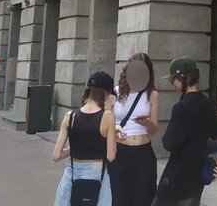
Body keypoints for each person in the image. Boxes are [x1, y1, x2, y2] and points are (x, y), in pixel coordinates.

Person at [152, 57, 217, 206]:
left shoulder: (181, 108)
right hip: (196, 177)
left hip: (176, 177)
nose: (173, 84)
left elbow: (169, 144)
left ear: (183, 78)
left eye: (174, 80)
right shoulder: (205, 103)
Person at [53, 70, 117, 206]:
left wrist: (75, 147)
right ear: (106, 94)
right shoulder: (108, 117)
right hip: (96, 171)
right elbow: (111, 156)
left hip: (71, 173)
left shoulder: (70, 116)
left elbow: (56, 155)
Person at [108, 53, 159, 206]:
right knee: (119, 198)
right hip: (120, 151)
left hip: (143, 153)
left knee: (143, 198)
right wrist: (115, 128)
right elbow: (105, 122)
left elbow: (154, 129)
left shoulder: (152, 94)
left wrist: (147, 123)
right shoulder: (116, 92)